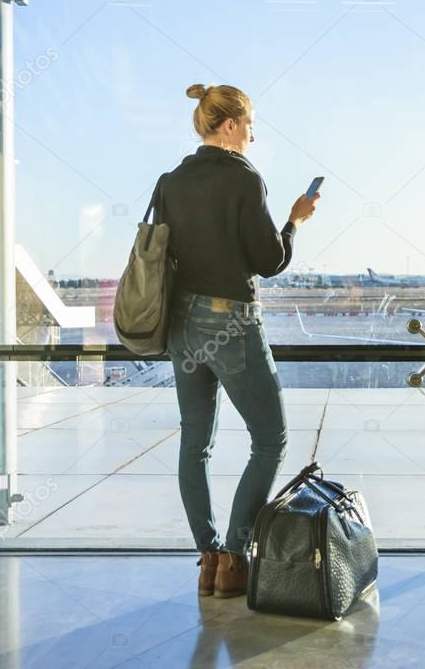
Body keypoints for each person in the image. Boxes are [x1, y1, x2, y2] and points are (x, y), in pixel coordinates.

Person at [161, 83, 318, 598]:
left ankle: (207, 559)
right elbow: (269, 261)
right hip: (230, 323)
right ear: (229, 125)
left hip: (181, 325)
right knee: (270, 439)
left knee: (194, 442)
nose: (254, 133)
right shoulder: (245, 179)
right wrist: (294, 221)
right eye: (250, 123)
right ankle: (234, 556)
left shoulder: (170, 181)